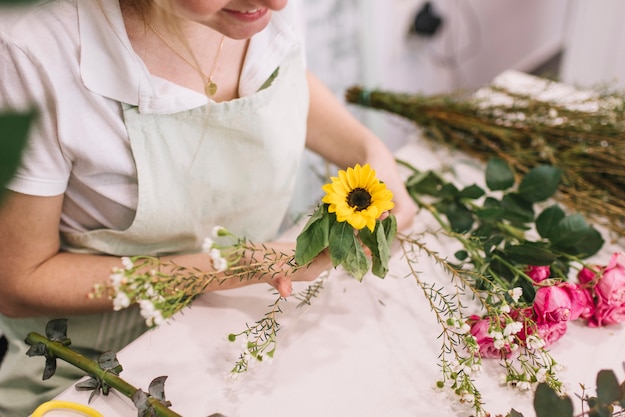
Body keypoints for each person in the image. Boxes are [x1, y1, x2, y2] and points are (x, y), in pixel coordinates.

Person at [0, 0, 418, 415]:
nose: (278, 3)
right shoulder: (30, 54)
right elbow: (19, 285)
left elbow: (282, 76)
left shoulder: (253, 10)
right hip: (94, 372)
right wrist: (243, 266)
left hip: (247, 321)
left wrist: (368, 150)